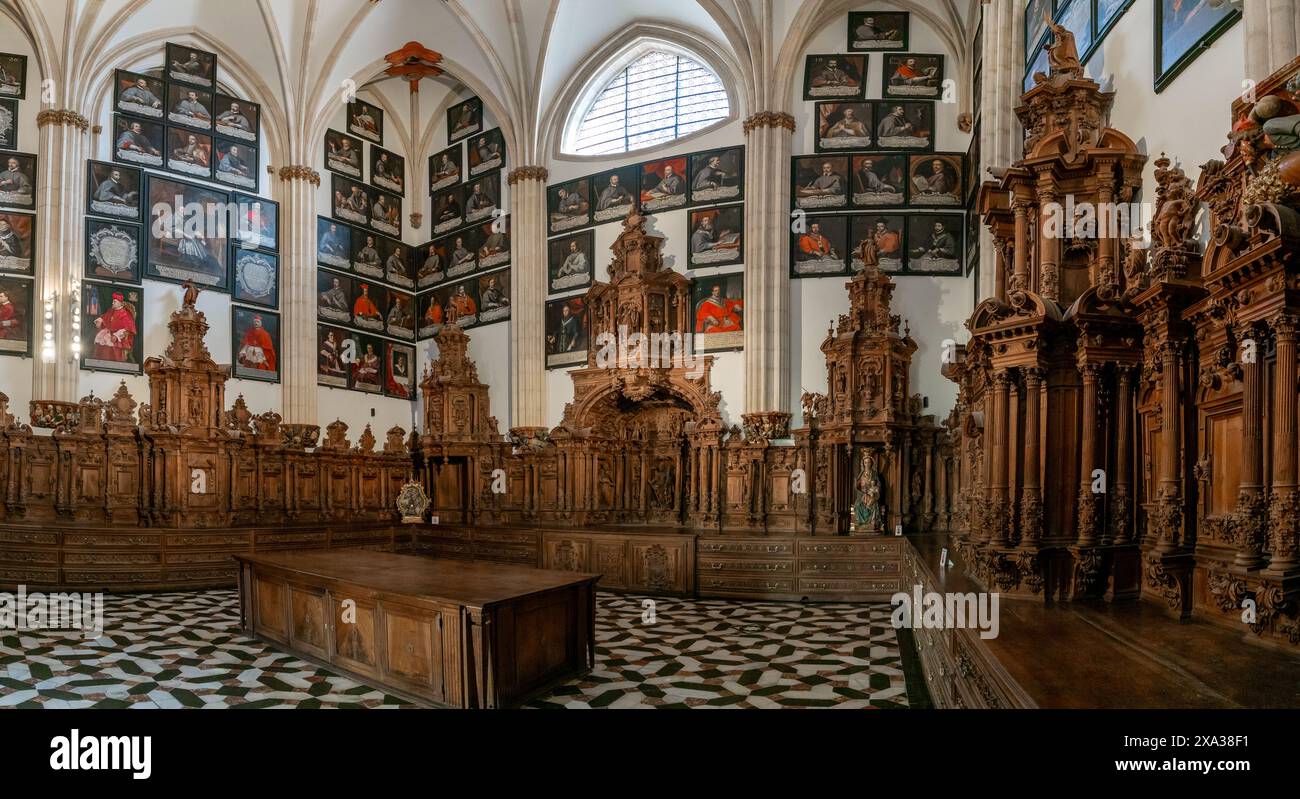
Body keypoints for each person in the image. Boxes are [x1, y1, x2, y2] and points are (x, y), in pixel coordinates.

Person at [92, 292, 136, 363]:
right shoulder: (111, 311)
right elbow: (105, 316)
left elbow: (127, 329)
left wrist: (116, 336)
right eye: (113, 301)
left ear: (120, 303)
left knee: (109, 348)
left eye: (114, 302)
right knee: (99, 343)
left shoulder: (125, 314)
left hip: (120, 338)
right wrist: (100, 320)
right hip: (109, 332)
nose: (112, 303)